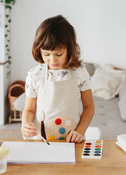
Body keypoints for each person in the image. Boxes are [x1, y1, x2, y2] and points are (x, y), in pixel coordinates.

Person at [21, 15, 95, 143]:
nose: (52, 60)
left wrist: (80, 132)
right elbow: (29, 109)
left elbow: (89, 107)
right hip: (41, 140)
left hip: (72, 140)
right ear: (39, 51)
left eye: (59, 54)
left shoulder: (80, 73)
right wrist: (25, 124)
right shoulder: (34, 75)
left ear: (70, 49)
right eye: (46, 54)